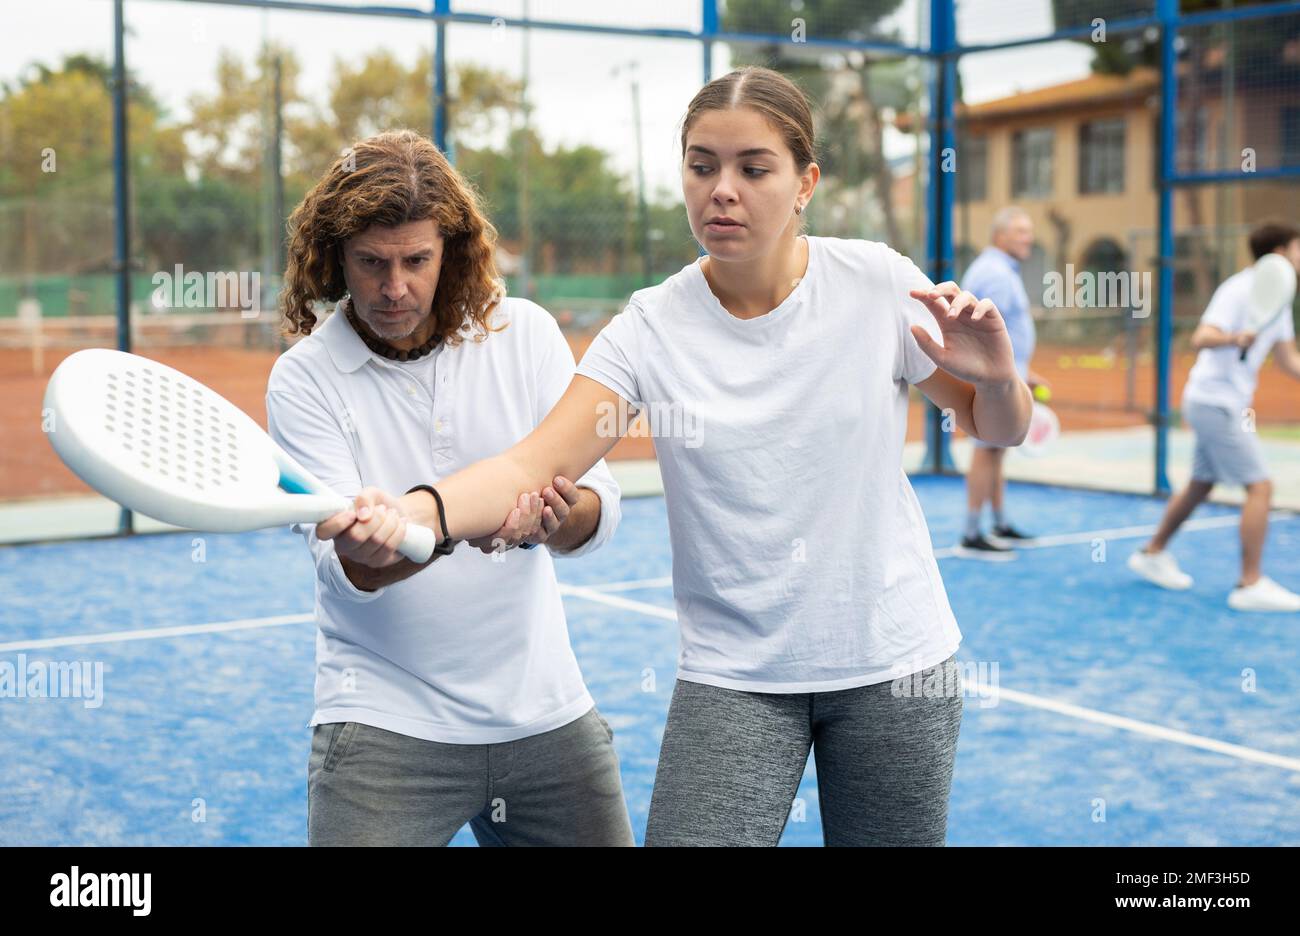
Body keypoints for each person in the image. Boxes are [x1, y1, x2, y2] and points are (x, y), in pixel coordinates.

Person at [318, 68, 1032, 846]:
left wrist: (999, 379)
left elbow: (995, 428)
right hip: (734, 680)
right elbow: (531, 465)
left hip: (898, 668)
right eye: (701, 166)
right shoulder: (649, 329)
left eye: (753, 168)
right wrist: (412, 513)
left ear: (805, 184)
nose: (722, 190)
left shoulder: (878, 284)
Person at [267, 129, 634, 846]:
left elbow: (602, 511)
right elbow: (351, 574)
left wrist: (553, 518)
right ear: (335, 257)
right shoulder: (303, 380)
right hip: (382, 721)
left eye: (416, 260)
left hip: (545, 712)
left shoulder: (525, 334)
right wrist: (431, 531)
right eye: (371, 262)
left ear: (452, 251)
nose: (394, 287)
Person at [1129, 221, 1300, 612]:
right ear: (1278, 254)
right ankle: (1250, 584)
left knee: (1201, 483)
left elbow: (1289, 359)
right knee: (1260, 487)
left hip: (1227, 403)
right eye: (1297, 248)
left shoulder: (1279, 297)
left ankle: (1152, 553)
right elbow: (1201, 337)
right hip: (1213, 402)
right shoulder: (1239, 289)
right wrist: (1234, 338)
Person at [956, 206, 1049, 560]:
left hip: (1007, 376)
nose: (1029, 237)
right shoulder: (994, 272)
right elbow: (982, 331)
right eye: (1021, 231)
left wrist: (1024, 372)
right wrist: (1007, 376)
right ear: (1000, 236)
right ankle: (970, 534)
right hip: (994, 380)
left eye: (1029, 231)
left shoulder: (999, 269)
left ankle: (997, 524)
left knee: (995, 450)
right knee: (986, 450)